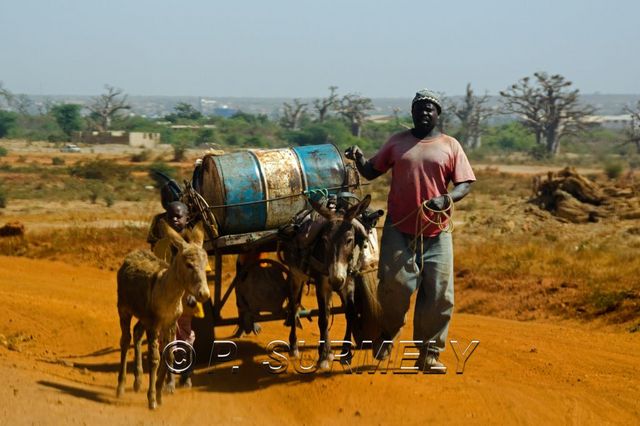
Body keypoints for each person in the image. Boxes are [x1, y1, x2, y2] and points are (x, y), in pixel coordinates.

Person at [345, 88, 475, 373]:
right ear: (412, 113)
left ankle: (429, 354)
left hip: (437, 230)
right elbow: (371, 171)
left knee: (439, 293)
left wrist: (448, 198)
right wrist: (359, 158)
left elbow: (465, 183)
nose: (425, 112)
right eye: (420, 108)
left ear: (438, 114)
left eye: (430, 108)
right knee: (396, 285)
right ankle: (387, 334)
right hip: (399, 227)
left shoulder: (450, 145)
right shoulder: (396, 143)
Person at [148, 199, 205, 387]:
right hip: (167, 298)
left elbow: (201, 274)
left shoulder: (194, 246)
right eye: (170, 216)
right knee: (165, 335)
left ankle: (186, 374)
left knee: (185, 335)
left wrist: (191, 293)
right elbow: (156, 269)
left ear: (187, 218)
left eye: (179, 216)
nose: (174, 219)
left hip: (187, 299)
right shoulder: (162, 246)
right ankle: (168, 375)